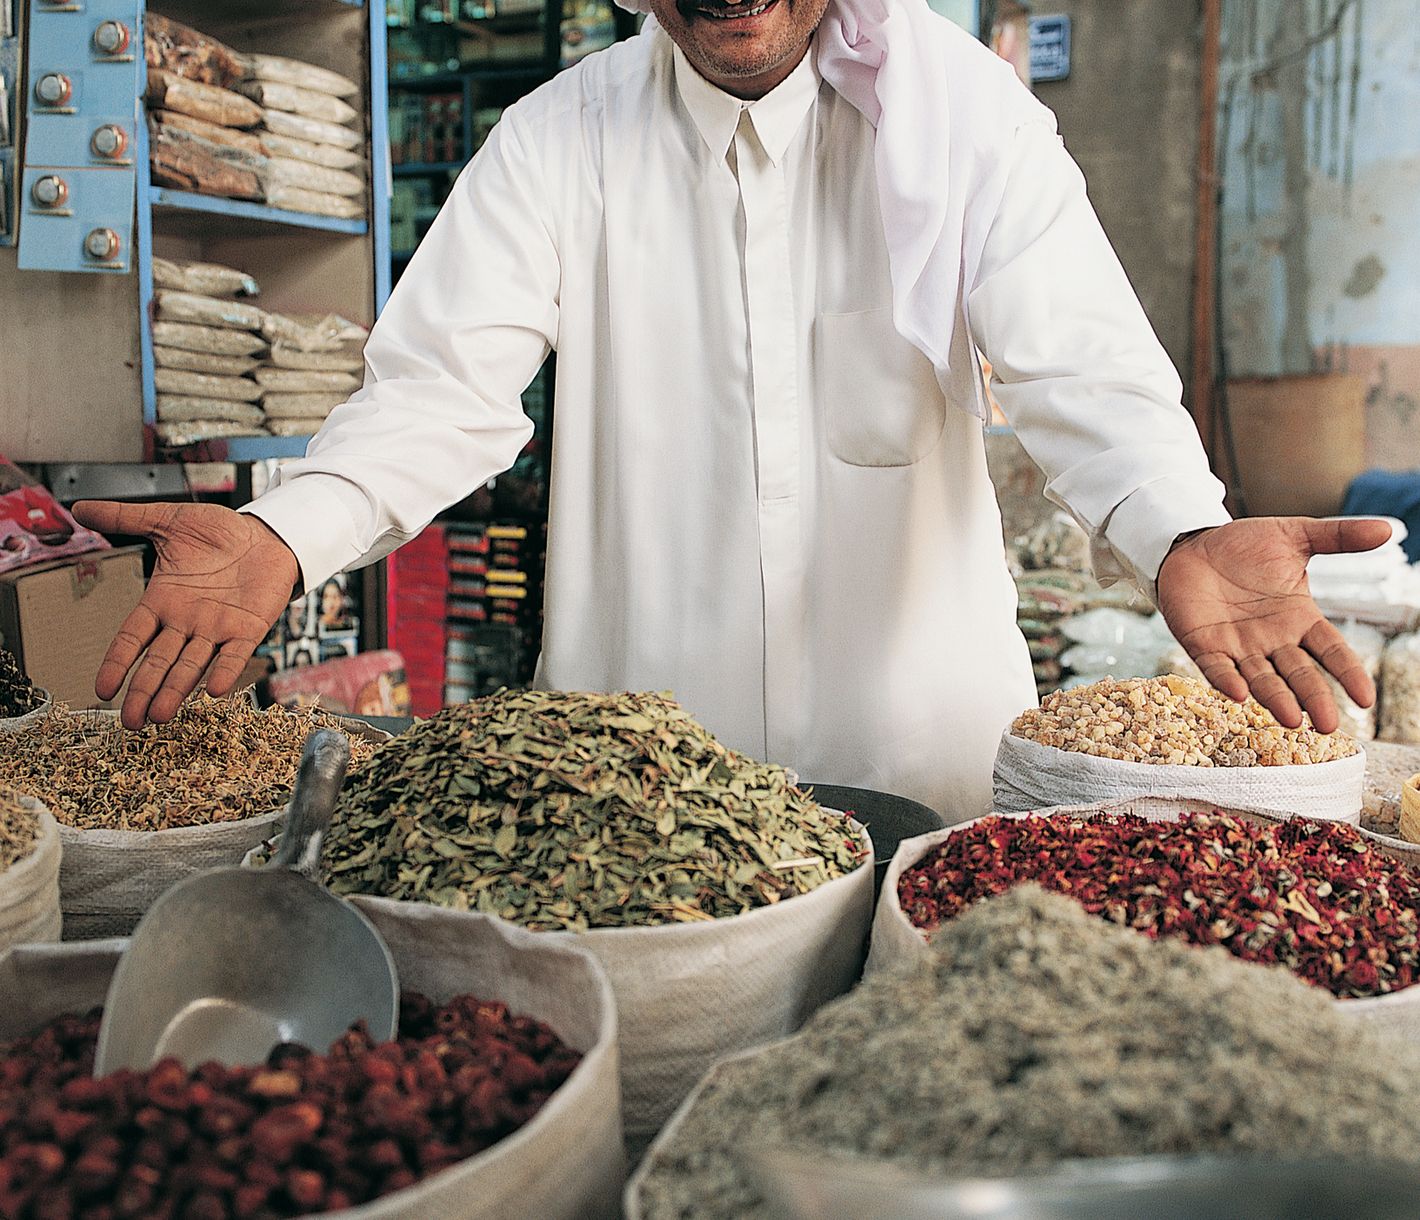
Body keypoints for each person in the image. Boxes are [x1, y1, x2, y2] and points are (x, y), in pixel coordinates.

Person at [73, 0, 1388, 820]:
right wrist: (291, 530)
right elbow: (438, 389)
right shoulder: (557, 141)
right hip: (640, 788)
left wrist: (1177, 525)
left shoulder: (962, 121)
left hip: (921, 764)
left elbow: (1081, 362)